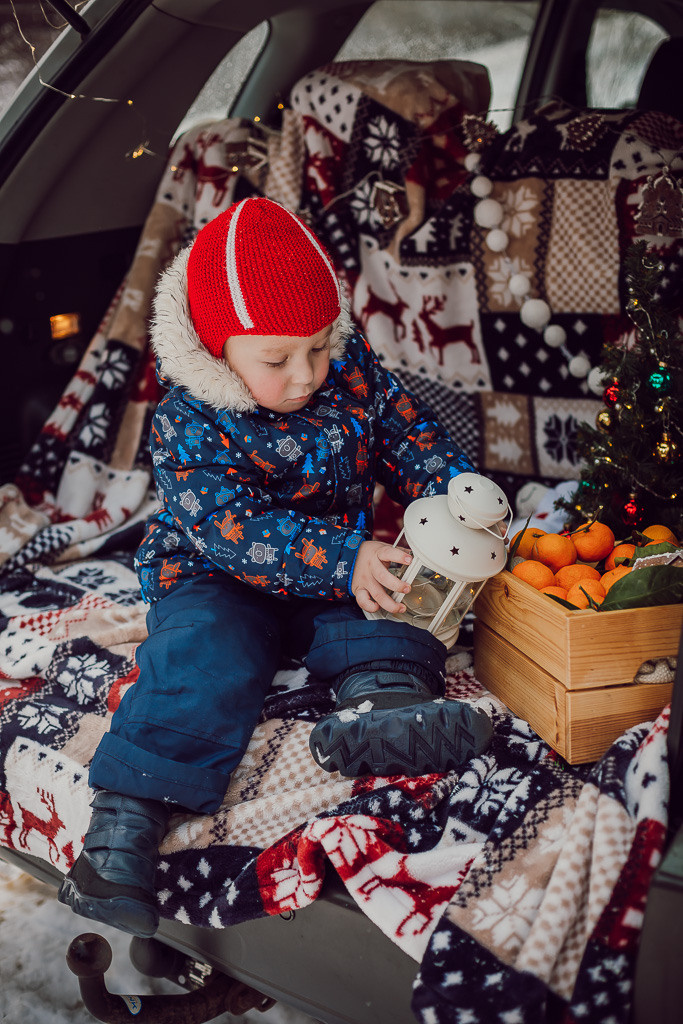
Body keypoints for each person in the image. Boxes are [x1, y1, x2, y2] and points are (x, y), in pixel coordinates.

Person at [58, 197, 492, 938]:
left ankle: (382, 711)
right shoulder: (188, 418)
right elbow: (234, 529)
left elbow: (406, 433)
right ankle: (123, 832)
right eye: (279, 358)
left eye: (321, 346)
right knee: (201, 659)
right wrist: (342, 556)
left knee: (391, 605)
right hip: (214, 576)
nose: (307, 373)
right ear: (218, 348)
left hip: (333, 562)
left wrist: (455, 494)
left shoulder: (346, 371)